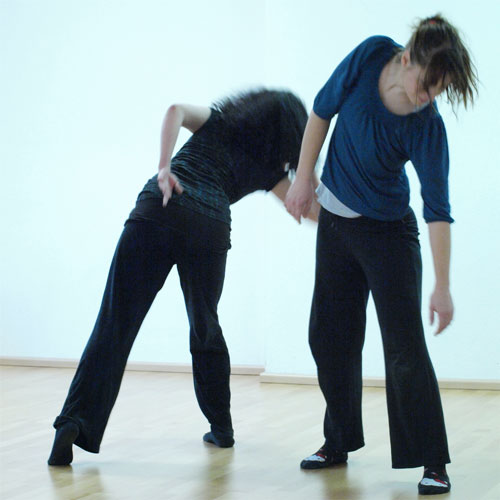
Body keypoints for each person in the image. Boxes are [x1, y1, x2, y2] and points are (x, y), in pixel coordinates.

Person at [48, 88, 319, 466]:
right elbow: (310, 210)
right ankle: (221, 428)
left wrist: (164, 168)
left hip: (158, 206)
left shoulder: (218, 121)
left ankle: (73, 423)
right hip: (208, 226)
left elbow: (175, 109)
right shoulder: (268, 169)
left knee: (115, 322)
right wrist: (322, 188)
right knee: (205, 326)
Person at [285, 14, 478, 496]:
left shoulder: (427, 126)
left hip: (389, 237)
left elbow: (438, 211)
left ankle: (433, 463)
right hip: (335, 225)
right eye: (425, 85)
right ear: (406, 58)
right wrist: (304, 178)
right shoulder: (371, 53)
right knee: (329, 338)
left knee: (404, 350)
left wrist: (442, 286)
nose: (427, 97)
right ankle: (337, 443)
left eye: (438, 91)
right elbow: (321, 110)